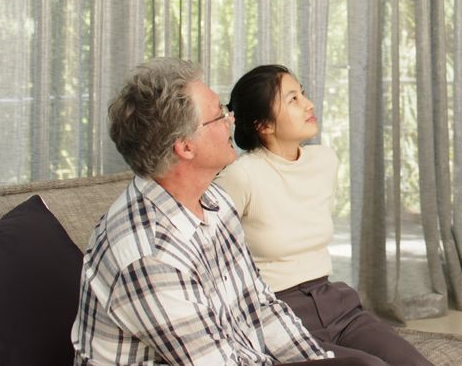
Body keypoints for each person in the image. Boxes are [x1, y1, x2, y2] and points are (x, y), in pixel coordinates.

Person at [72, 57, 363, 365]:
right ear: (185, 147)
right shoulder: (148, 256)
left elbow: (259, 308)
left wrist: (318, 361)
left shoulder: (215, 201)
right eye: (218, 116)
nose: (232, 121)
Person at [216, 65, 431, 366]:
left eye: (302, 93)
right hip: (277, 314)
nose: (308, 103)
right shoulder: (242, 176)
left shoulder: (324, 160)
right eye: (292, 99)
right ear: (263, 125)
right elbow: (207, 248)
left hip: (336, 303)